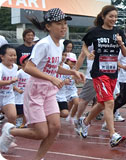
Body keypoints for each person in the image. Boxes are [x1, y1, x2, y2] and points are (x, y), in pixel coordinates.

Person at [0, 8, 85, 160]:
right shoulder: (43, 44)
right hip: (36, 91)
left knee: (55, 127)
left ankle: (38, 158)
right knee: (41, 132)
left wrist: (73, 72)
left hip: (50, 92)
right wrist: (52, 78)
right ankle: (10, 131)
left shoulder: (59, 45)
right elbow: (29, 67)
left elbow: (53, 67)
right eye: (59, 23)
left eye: (65, 23)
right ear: (48, 26)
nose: (63, 27)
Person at [77, 5, 126, 147]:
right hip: (99, 72)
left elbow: (125, 54)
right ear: (103, 16)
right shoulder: (94, 32)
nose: (114, 19)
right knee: (109, 102)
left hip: (113, 72)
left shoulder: (119, 32)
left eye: (116, 17)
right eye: (111, 16)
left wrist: (121, 43)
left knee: (102, 103)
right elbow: (84, 46)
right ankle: (112, 135)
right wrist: (88, 54)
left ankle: (85, 122)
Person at [0, 44, 18, 125]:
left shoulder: (15, 67)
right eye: (10, 55)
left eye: (14, 55)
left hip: (8, 96)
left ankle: (8, 136)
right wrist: (9, 82)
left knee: (13, 117)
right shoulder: (1, 67)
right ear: (2, 56)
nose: (13, 57)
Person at [14, 55, 30, 128]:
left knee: (25, 111)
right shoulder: (19, 73)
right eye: (27, 61)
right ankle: (16, 121)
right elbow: (12, 84)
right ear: (22, 63)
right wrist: (17, 89)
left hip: (26, 96)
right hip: (18, 96)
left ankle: (24, 123)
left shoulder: (30, 73)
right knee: (18, 112)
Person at [56, 51, 70, 118]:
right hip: (53, 94)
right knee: (54, 112)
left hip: (61, 94)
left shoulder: (66, 67)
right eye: (62, 55)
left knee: (65, 113)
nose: (63, 57)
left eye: (65, 55)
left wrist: (67, 81)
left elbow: (69, 79)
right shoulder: (53, 65)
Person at [65, 52, 79, 121]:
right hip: (64, 91)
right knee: (65, 111)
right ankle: (67, 115)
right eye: (71, 61)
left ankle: (72, 117)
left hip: (72, 90)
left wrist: (76, 78)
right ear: (67, 61)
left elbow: (77, 82)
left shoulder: (75, 71)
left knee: (77, 103)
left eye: (74, 62)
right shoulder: (63, 68)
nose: (73, 63)